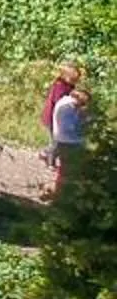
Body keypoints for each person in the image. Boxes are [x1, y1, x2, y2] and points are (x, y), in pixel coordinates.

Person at [51, 68, 90, 200]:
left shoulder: (64, 102)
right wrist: (82, 118)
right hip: (69, 142)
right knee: (68, 171)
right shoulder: (69, 107)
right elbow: (69, 127)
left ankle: (61, 194)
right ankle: (62, 196)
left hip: (65, 140)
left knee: (64, 170)